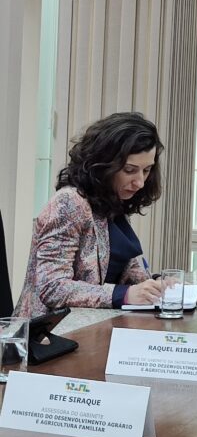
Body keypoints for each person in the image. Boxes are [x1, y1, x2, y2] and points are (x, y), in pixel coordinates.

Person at [16, 112, 166, 317]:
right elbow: (52, 287)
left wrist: (158, 285)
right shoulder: (69, 203)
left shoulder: (111, 203)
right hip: (50, 338)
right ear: (104, 165)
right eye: (130, 170)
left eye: (147, 170)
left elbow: (122, 270)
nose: (140, 182)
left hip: (91, 328)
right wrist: (124, 295)